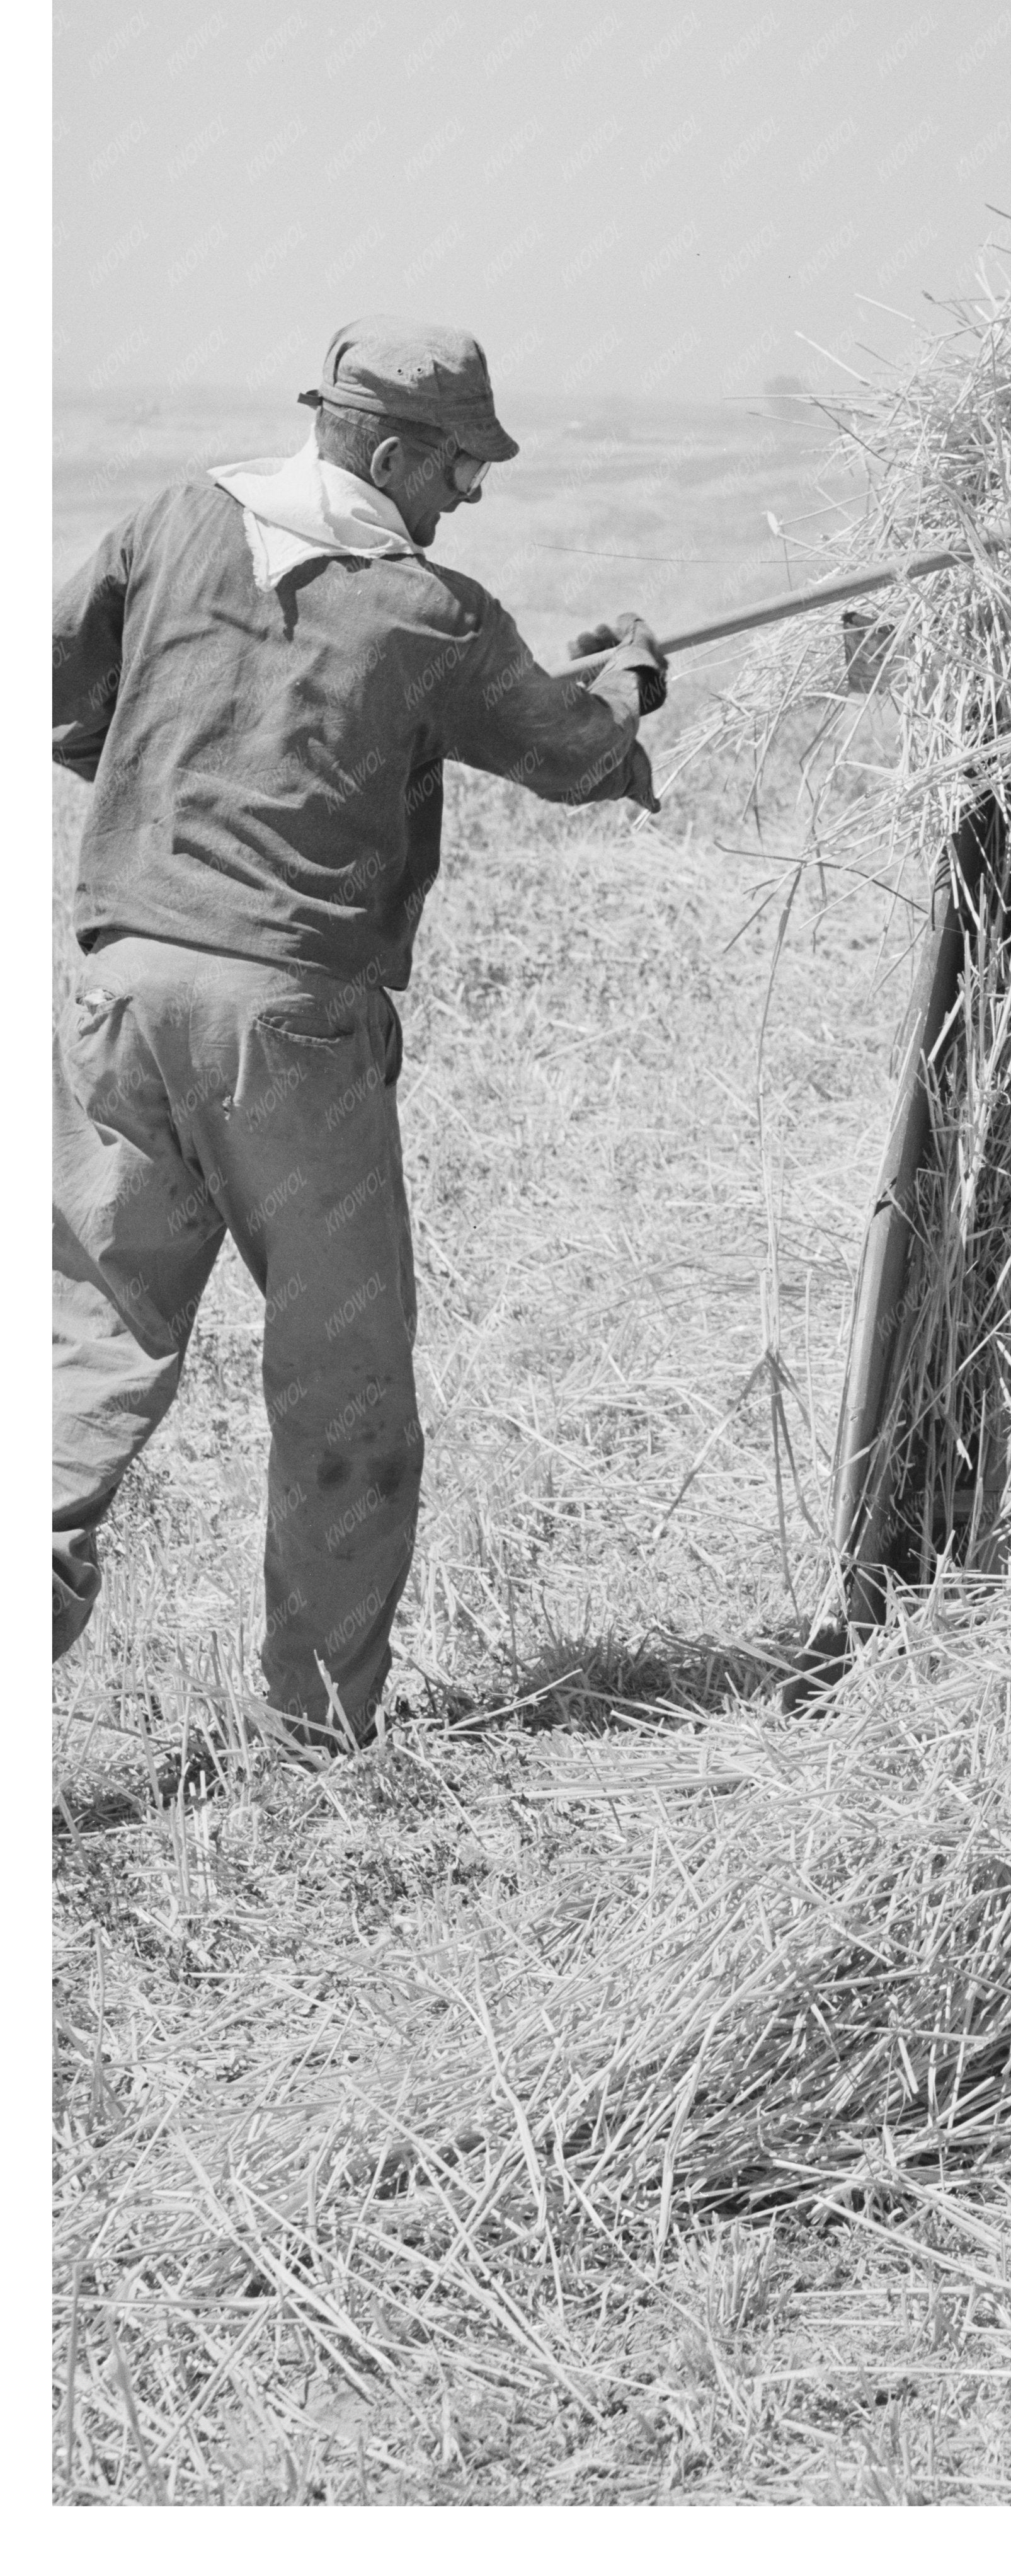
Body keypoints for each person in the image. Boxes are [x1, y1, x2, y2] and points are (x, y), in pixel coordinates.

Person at [50, 319, 671, 1752]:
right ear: (389, 451)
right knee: (342, 1371)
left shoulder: (172, 522)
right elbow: (571, 747)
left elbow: (61, 699)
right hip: (287, 1020)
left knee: (87, 1340)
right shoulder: (425, 609)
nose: (471, 493)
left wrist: (168, 763)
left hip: (125, 986)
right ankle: (316, 1727)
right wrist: (631, 675)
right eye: (460, 462)